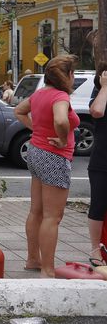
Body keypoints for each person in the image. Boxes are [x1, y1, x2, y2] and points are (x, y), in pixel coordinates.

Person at [14, 55, 80, 278]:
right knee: (53, 216)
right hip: (54, 156)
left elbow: (19, 111)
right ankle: (48, 270)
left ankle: (33, 259)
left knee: (37, 211)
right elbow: (61, 121)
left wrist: (36, 129)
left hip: (36, 152)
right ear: (68, 76)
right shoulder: (60, 97)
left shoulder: (39, 94)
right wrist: (61, 139)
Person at [87, 65, 107, 264]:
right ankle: (95, 251)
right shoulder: (101, 94)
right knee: (98, 205)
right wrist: (105, 87)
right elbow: (97, 111)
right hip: (102, 160)